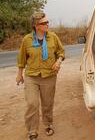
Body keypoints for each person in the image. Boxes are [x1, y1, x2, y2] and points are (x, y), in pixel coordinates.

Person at [16, 12, 65, 140]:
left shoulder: (53, 37)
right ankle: (32, 130)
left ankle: (48, 124)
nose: (47, 24)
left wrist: (58, 61)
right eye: (44, 23)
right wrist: (19, 74)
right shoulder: (27, 40)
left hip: (49, 75)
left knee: (47, 103)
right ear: (36, 26)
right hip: (31, 76)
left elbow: (61, 52)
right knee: (32, 103)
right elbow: (21, 58)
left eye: (47, 22)